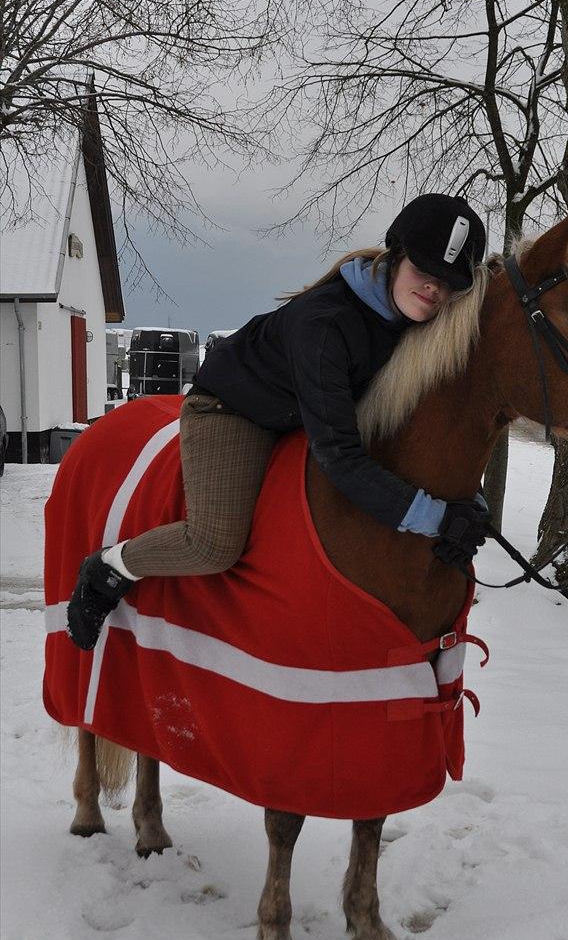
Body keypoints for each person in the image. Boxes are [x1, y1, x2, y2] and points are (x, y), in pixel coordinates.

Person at [67, 193, 491, 649]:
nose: (434, 288)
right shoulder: (326, 324)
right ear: (397, 254)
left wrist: (469, 502)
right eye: (425, 270)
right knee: (214, 545)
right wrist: (435, 518)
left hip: (306, 415)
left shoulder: (420, 320)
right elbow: (341, 457)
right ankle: (111, 567)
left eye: (448, 282)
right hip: (236, 410)